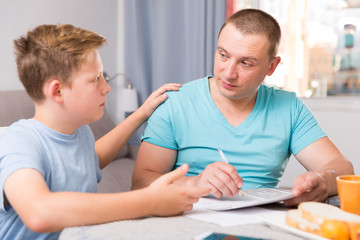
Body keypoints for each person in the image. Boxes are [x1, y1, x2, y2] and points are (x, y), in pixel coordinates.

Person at [0, 24, 210, 239]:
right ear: (58, 90)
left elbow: (91, 159)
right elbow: (39, 213)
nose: (106, 88)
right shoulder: (19, 141)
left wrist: (141, 114)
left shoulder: (80, 133)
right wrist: (150, 200)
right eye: (95, 79)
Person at [131, 9, 354, 207]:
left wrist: (322, 180)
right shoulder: (175, 104)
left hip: (260, 226)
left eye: (246, 63)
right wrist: (194, 183)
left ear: (272, 66)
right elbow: (141, 183)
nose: (228, 73)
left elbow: (342, 168)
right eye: (223, 55)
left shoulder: (288, 108)